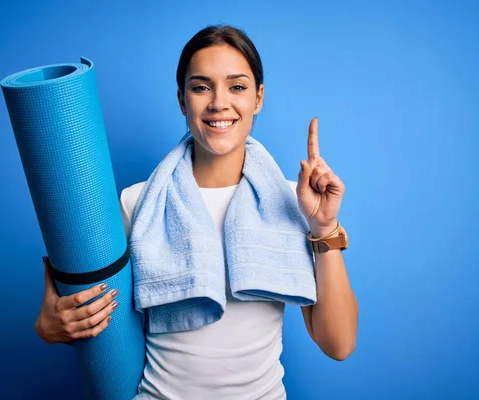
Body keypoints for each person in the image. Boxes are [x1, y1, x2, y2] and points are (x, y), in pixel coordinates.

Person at [34, 25, 358, 399]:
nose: (219, 102)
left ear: (258, 98)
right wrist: (48, 326)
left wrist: (324, 224)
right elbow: (94, 317)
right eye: (201, 87)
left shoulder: (292, 202)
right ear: (182, 100)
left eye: (237, 86)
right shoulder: (137, 204)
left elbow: (339, 344)